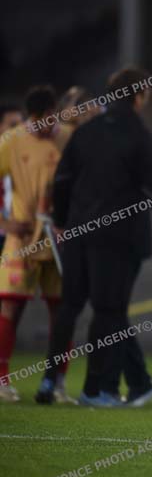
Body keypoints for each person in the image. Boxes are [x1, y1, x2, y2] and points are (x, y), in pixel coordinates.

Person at [40, 67, 152, 407]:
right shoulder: (138, 134)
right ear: (139, 96)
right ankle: (95, 389)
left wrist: (62, 220)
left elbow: (61, 181)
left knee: (70, 306)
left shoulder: (86, 132)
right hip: (118, 236)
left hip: (78, 232)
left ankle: (49, 380)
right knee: (109, 309)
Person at [0, 87, 73, 403]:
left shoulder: (68, 137)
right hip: (23, 238)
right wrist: (4, 223)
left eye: (50, 117)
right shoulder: (12, 140)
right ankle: (2, 380)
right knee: (11, 306)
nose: (47, 125)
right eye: (40, 119)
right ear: (32, 117)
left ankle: (56, 383)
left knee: (63, 311)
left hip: (60, 237)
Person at [0, 104, 23, 253]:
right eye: (13, 125)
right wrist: (3, 223)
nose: (20, 130)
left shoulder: (23, 154)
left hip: (17, 233)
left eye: (22, 124)